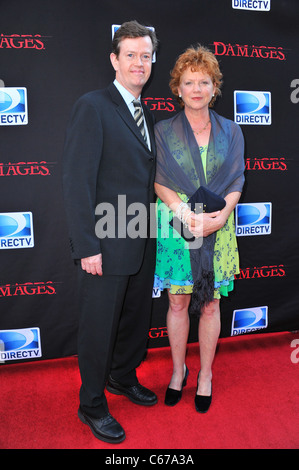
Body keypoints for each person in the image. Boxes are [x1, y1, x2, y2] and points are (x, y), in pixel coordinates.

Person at [62, 21, 158, 443]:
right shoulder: (93, 105)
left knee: (135, 319)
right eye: (131, 54)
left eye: (146, 55)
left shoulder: (145, 110)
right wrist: (87, 245)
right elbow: (76, 179)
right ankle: (92, 405)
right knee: (99, 325)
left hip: (141, 236)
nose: (140, 62)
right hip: (106, 239)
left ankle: (122, 376)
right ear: (115, 60)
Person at [154, 45, 245, 413]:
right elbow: (160, 180)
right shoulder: (162, 131)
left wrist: (222, 216)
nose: (196, 89)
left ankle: (205, 374)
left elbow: (237, 178)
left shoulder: (232, 131)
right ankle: (179, 371)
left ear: (214, 87)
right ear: (178, 88)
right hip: (177, 227)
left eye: (203, 82)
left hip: (218, 227)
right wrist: (183, 213)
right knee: (177, 302)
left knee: (209, 306)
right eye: (189, 82)